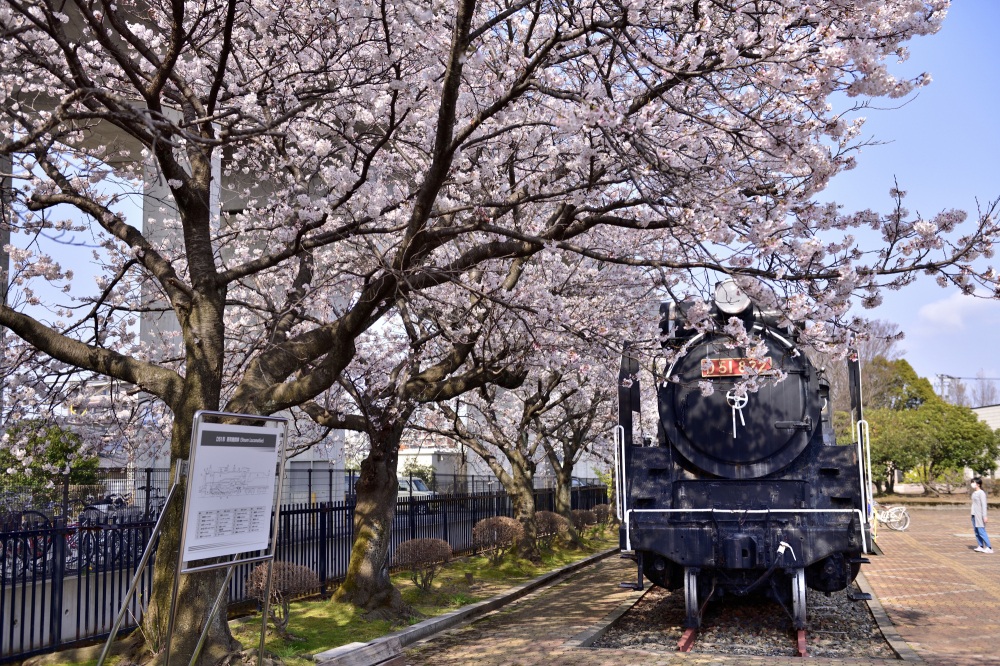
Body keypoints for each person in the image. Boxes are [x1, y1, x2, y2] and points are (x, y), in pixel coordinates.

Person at [970, 477, 993, 554]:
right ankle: (980, 546)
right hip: (974, 514)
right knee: (976, 531)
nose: (972, 484)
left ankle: (989, 547)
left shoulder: (981, 493)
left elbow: (984, 505)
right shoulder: (974, 493)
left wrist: (985, 516)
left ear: (978, 484)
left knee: (981, 531)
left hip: (979, 515)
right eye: (972, 482)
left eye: (974, 482)